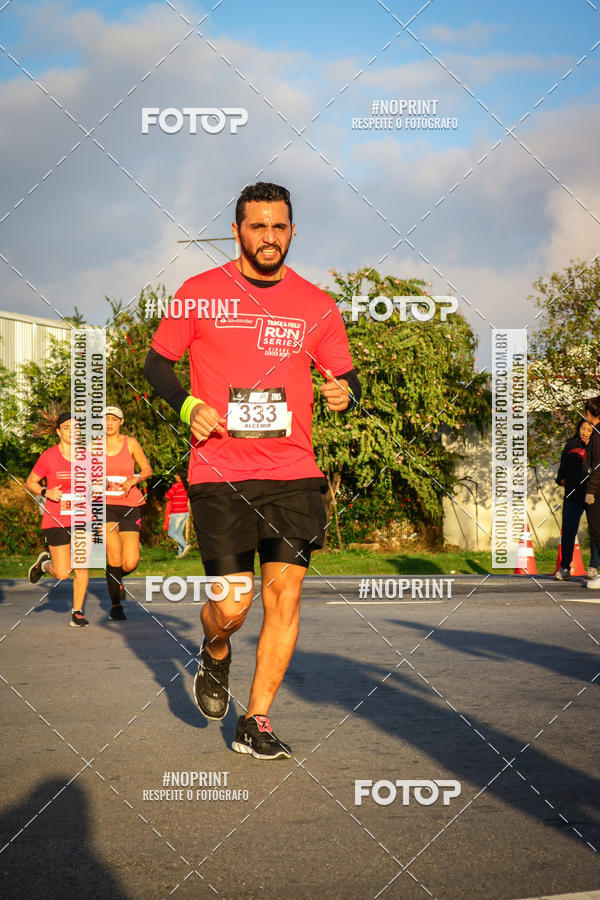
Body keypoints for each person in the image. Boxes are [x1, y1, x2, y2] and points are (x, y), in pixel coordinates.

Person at [144, 181, 361, 759]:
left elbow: (346, 374)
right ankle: (215, 653)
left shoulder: (317, 305)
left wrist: (346, 394)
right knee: (233, 603)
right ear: (238, 230)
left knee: (284, 599)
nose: (270, 237)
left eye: (280, 226)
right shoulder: (199, 293)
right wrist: (190, 406)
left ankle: (256, 718)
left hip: (294, 470)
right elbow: (157, 365)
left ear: (293, 232)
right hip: (220, 471)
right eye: (258, 226)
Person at [25, 408, 90, 627]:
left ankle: (77, 612)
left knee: (82, 565)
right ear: (59, 432)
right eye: (67, 428)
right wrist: (47, 492)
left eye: (76, 427)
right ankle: (44, 564)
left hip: (83, 517)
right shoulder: (49, 456)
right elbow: (30, 482)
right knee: (63, 573)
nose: (72, 431)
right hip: (57, 518)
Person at [104, 406, 153, 620]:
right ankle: (116, 606)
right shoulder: (93, 446)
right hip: (103, 504)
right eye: (105, 419)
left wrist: (135, 479)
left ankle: (114, 577)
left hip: (129, 504)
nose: (109, 423)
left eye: (114, 419)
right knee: (114, 554)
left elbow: (147, 469)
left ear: (121, 422)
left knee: (130, 562)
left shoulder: (130, 443)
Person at [554, 420, 600, 580]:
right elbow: (563, 467)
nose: (585, 432)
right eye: (582, 428)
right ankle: (565, 567)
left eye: (588, 429)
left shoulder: (596, 445)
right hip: (573, 494)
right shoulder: (571, 444)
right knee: (568, 530)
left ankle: (593, 567)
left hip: (592, 495)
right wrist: (560, 479)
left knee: (595, 532)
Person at [584, 396, 600, 589]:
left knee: (597, 530)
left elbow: (597, 467)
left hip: (598, 490)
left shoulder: (597, 435)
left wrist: (591, 491)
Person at [165, 472, 191, 558]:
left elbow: (167, 496)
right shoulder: (187, 486)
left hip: (177, 512)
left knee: (171, 533)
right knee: (179, 534)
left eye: (176, 475)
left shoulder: (176, 486)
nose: (175, 476)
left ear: (179, 476)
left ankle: (185, 545)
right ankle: (180, 554)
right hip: (185, 513)